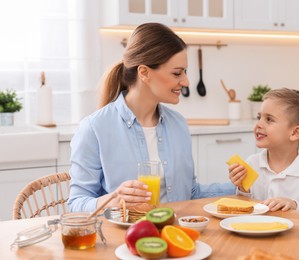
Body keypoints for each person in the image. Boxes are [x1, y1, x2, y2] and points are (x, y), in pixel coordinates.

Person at [68, 23, 234, 212]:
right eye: (177, 73)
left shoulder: (178, 124)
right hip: (124, 238)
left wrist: (239, 187)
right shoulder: (95, 128)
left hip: (175, 232)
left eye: (185, 72)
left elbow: (191, 193)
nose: (186, 82)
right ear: (144, 73)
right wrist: (113, 200)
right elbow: (76, 204)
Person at [228, 88, 299, 214]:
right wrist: (242, 188)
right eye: (259, 117)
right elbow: (244, 209)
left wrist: (294, 205)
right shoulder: (251, 164)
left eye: (269, 119)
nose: (258, 124)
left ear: (295, 133)